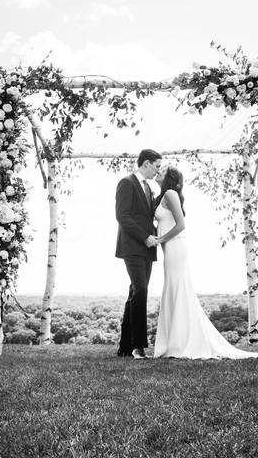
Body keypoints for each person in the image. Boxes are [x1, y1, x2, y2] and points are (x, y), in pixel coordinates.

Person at [152, 165, 258, 360]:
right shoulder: (164, 195)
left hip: (176, 248)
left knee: (179, 290)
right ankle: (175, 341)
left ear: (170, 177)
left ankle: (181, 343)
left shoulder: (171, 193)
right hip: (169, 250)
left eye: (162, 171)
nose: (158, 172)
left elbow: (181, 225)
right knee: (174, 290)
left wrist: (160, 240)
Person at [115, 149, 162, 359]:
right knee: (141, 291)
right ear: (146, 164)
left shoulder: (149, 187)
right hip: (132, 247)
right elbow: (122, 216)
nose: (157, 170)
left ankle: (125, 347)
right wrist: (145, 237)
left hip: (146, 249)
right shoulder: (126, 183)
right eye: (157, 166)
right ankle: (138, 347)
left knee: (134, 292)